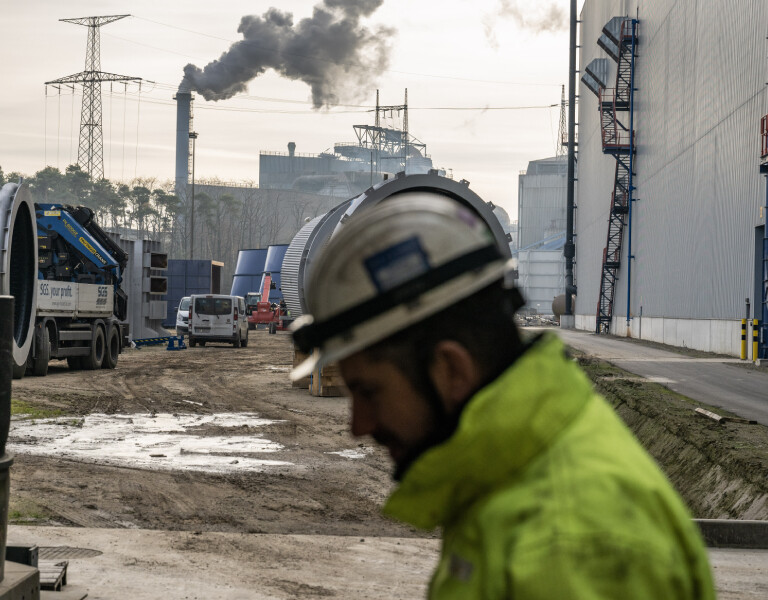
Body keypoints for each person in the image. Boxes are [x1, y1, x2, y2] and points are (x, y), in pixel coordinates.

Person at [291, 190, 715, 599]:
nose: (357, 426)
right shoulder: (506, 476)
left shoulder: (570, 544)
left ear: (451, 370)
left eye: (369, 391)